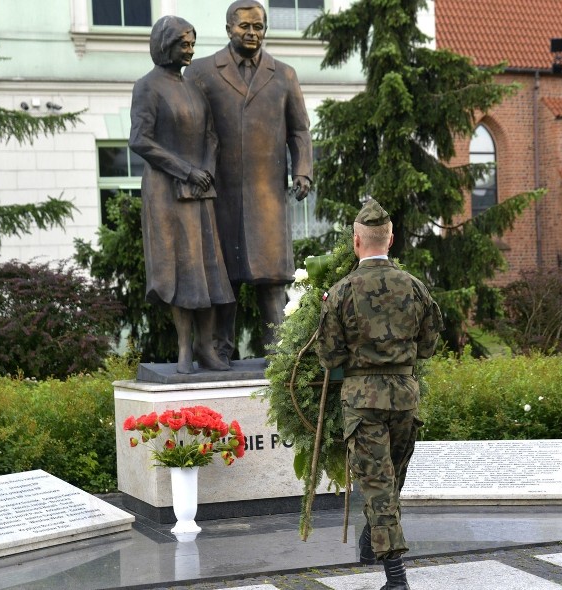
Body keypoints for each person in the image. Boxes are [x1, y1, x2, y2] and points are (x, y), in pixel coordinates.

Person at [316, 199, 444, 590]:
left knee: (377, 484)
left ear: (357, 241)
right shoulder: (416, 287)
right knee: (389, 481)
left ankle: (396, 579)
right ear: (392, 239)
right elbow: (428, 346)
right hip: (405, 396)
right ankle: (372, 543)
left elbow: (329, 356)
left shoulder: (341, 293)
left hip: (362, 399)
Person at [184, 0, 313, 362]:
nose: (252, 33)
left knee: (272, 282)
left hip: (267, 195)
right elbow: (188, 127)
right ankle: (221, 351)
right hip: (218, 194)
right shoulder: (202, 72)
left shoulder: (284, 74)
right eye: (245, 27)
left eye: (258, 27)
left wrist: (302, 170)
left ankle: (282, 355)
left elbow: (300, 131)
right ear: (229, 29)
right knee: (223, 279)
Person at [129, 15, 234, 374]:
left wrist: (205, 170)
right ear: (164, 45)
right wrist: (186, 170)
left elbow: (212, 136)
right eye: (183, 44)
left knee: (206, 270)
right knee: (178, 270)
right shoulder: (148, 86)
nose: (189, 50)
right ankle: (185, 349)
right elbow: (140, 140)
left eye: (192, 43)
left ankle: (206, 347)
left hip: (200, 191)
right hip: (166, 194)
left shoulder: (193, 87)